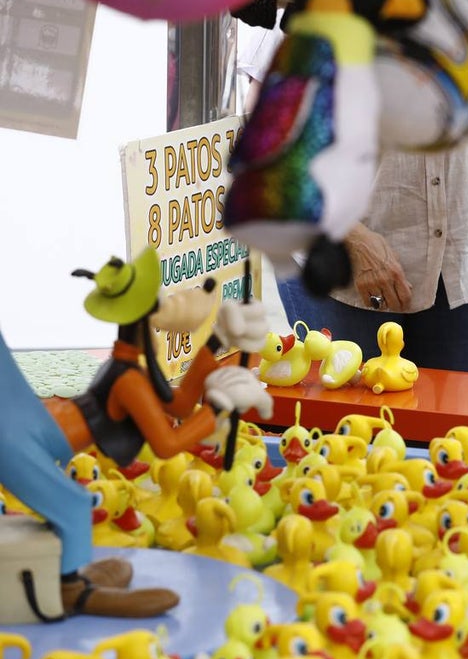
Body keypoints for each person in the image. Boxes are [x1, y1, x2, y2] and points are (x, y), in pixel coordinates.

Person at [9, 249, 271, 618]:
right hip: (25, 444)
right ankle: (70, 590)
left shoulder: (128, 368)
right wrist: (218, 408)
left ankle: (66, 571)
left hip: (38, 434)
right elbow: (167, 444)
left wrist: (216, 341)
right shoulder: (128, 379)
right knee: (74, 505)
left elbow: (180, 405)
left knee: (67, 505)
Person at [276, 113, 468, 374]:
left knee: (457, 403)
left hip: (467, 252)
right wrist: (353, 238)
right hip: (343, 264)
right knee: (351, 400)